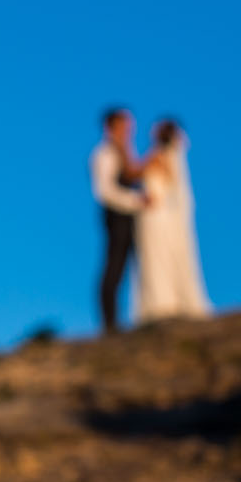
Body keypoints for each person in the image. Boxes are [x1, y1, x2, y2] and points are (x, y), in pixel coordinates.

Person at [132, 118, 213, 322]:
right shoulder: (167, 155)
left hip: (156, 213)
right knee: (155, 257)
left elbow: (162, 179)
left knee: (158, 256)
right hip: (154, 213)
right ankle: (161, 301)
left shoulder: (163, 156)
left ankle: (163, 302)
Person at [89, 107, 145, 333]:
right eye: (124, 125)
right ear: (110, 127)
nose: (129, 130)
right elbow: (105, 191)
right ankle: (110, 324)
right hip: (116, 217)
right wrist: (136, 201)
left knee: (132, 266)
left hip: (132, 217)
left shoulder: (126, 152)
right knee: (114, 267)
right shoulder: (103, 154)